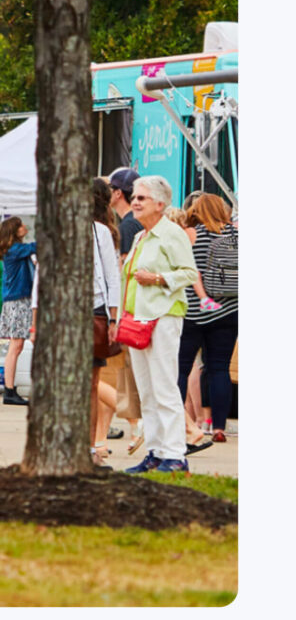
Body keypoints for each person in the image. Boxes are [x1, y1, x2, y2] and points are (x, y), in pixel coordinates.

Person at [118, 175, 199, 474]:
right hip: (137, 319)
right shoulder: (140, 236)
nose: (135, 202)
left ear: (160, 204)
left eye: (142, 198)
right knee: (147, 391)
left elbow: (189, 273)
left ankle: (175, 454)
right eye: (134, 197)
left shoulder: (172, 233)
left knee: (164, 387)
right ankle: (155, 451)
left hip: (163, 317)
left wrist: (158, 278)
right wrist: (121, 317)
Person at [178, 193, 239, 445]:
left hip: (194, 311)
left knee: (182, 368)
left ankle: (179, 423)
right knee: (219, 368)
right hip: (229, 310)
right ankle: (219, 427)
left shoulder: (192, 234)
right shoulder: (236, 234)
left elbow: (189, 271)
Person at [106, 166, 144, 452]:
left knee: (124, 374)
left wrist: (117, 314)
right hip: (134, 309)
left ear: (118, 193)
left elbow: (124, 271)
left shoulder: (128, 227)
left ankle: (139, 425)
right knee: (122, 374)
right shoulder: (130, 224)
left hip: (130, 311)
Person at [91, 178, 122, 467]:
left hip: (95, 310)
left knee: (92, 383)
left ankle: (92, 446)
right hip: (86, 310)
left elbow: (112, 276)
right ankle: (93, 444)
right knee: (91, 383)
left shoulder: (101, 231)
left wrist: (114, 317)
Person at [0, 216, 36, 406]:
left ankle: (10, 389)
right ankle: (9, 389)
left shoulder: (12, 250)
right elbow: (37, 246)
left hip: (15, 300)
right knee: (16, 345)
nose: (24, 226)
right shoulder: (15, 250)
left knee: (16, 346)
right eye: (20, 225)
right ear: (14, 231)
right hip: (18, 301)